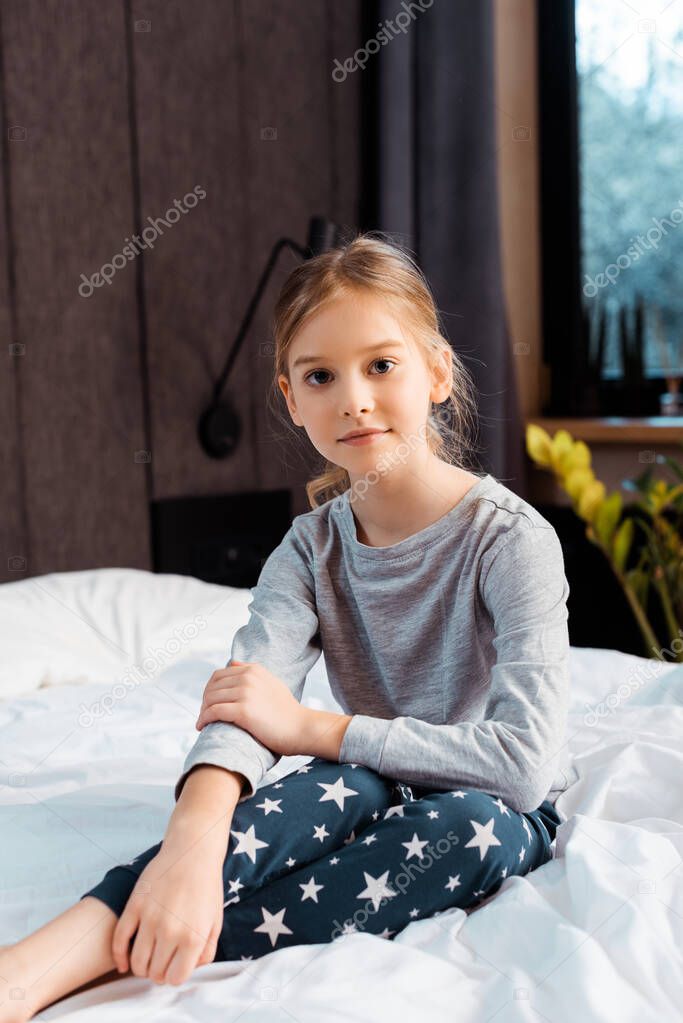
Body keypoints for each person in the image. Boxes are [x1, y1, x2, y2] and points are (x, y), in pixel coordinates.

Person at [0, 233, 572, 1021]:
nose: (353, 397)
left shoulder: (511, 541)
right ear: (291, 397)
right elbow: (246, 701)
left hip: (492, 801)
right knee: (329, 787)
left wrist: (311, 725)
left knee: (464, 825)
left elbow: (522, 765)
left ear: (437, 370)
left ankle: (102, 951)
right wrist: (191, 846)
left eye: (381, 364)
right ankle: (33, 966)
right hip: (370, 775)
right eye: (320, 376)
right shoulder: (308, 547)